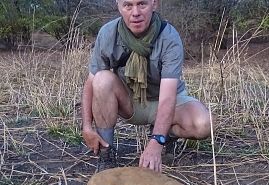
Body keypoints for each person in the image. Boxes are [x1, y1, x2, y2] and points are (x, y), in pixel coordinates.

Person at [81, 0, 213, 173]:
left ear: (154, 4)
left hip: (164, 100)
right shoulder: (107, 33)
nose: (135, 12)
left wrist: (156, 141)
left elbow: (167, 97)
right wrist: (86, 127)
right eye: (128, 5)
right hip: (131, 101)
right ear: (118, 6)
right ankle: (106, 153)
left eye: (142, 4)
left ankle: (167, 136)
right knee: (101, 79)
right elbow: (90, 83)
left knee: (203, 124)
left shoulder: (169, 37)